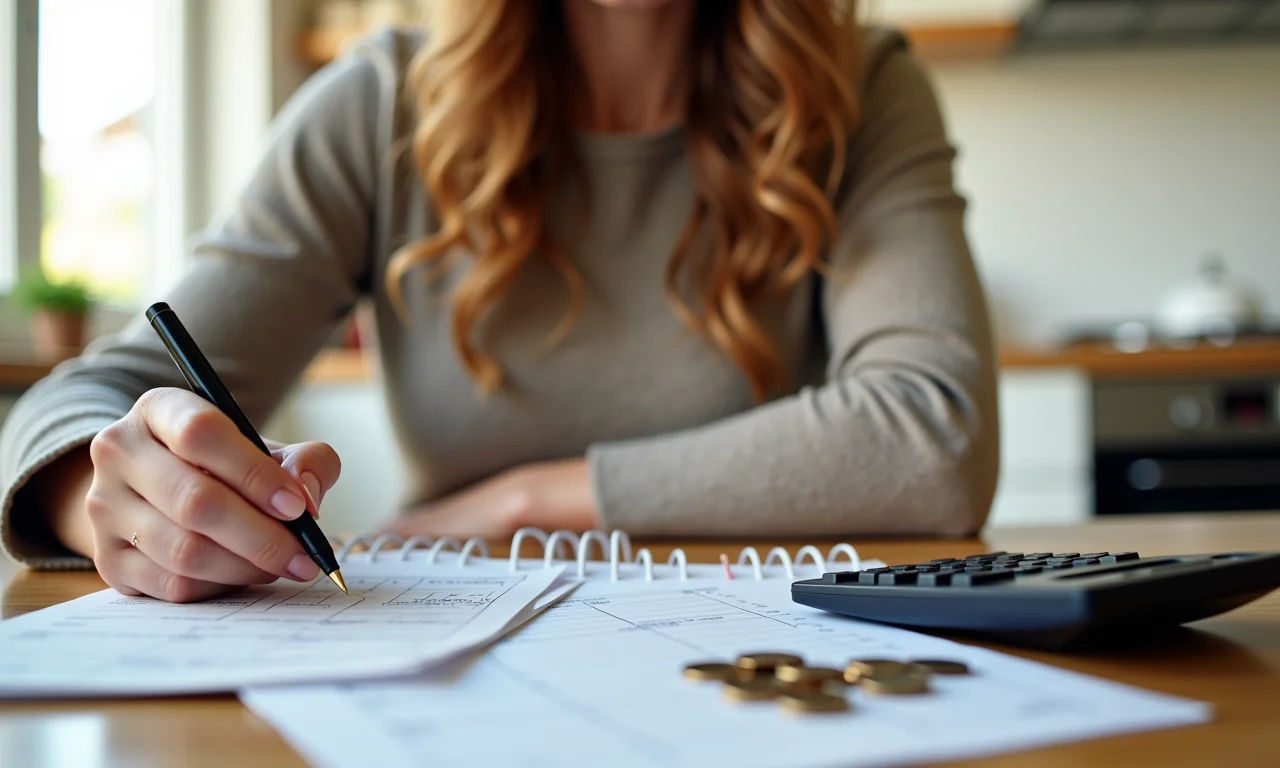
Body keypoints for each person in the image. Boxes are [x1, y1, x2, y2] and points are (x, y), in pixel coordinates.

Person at [0, 0, 998, 602]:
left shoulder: (859, 87)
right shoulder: (382, 106)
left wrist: (512, 503)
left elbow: (934, 439)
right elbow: (94, 396)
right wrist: (108, 507)